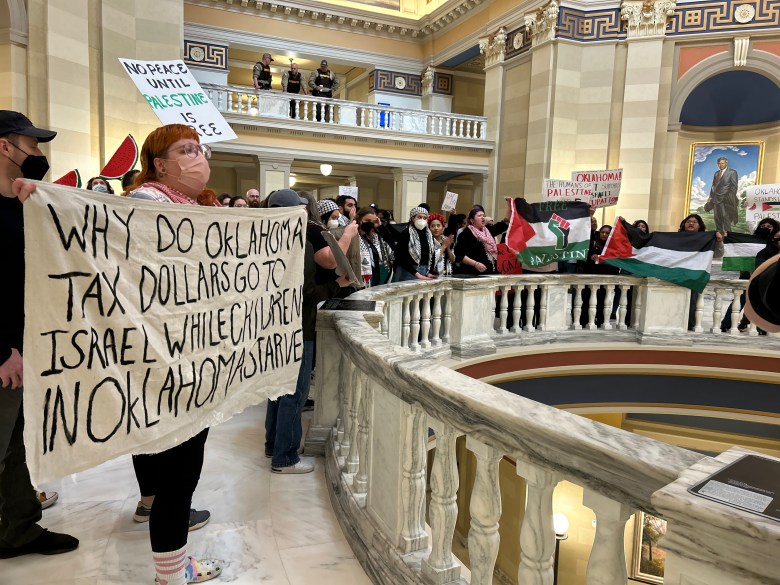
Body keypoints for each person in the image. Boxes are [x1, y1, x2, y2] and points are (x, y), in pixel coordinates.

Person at [127, 124, 222, 585]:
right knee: (177, 477)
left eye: (200, 149)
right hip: (166, 364)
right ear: (159, 163)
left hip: (191, 356)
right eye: (186, 149)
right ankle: (171, 574)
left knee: (183, 472)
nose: (198, 157)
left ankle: (175, 565)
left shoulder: (189, 207)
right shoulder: (148, 203)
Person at [0, 110, 79, 559]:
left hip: (25, 348)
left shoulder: (21, 206)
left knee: (15, 448)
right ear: (4, 147)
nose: (39, 154)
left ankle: (20, 528)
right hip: (4, 355)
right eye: (31, 145)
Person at [263, 189, 325, 474]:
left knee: (276, 388)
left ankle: (272, 443)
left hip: (272, 326)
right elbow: (309, 293)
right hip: (300, 326)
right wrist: (337, 283)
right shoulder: (301, 245)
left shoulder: (262, 242)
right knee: (295, 392)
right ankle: (285, 456)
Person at [393, 207, 439, 281]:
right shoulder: (406, 233)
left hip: (424, 270)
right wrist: (416, 273)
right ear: (413, 218)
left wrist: (430, 271)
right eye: (419, 217)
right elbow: (399, 256)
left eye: (425, 218)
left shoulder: (429, 235)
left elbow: (432, 254)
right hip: (408, 271)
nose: (422, 220)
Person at [454, 208, 500, 276]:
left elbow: (503, 225)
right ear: (472, 220)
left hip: (491, 273)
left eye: (484, 216)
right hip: (473, 274)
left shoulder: (488, 231)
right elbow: (460, 254)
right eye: (479, 215)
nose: (482, 217)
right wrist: (475, 264)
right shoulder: (466, 234)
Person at [705, 156, 739, 234]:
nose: (721, 165)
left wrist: (729, 197)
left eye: (722, 163)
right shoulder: (716, 173)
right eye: (719, 164)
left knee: (725, 218)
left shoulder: (732, 172)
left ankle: (729, 237)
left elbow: (734, 187)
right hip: (715, 199)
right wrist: (710, 197)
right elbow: (713, 186)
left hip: (726, 199)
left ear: (726, 163)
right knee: (717, 218)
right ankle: (719, 236)